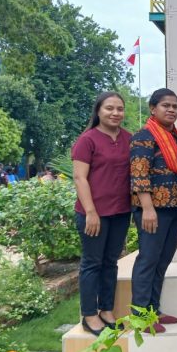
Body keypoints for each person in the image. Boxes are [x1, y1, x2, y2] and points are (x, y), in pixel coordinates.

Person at [71, 92, 133, 336]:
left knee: (111, 262)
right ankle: (89, 314)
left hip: (120, 212)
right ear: (98, 111)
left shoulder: (128, 138)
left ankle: (106, 310)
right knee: (92, 263)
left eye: (120, 109)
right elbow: (79, 178)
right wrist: (90, 212)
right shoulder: (88, 140)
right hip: (93, 213)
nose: (115, 113)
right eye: (110, 108)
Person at [130, 88, 177, 334]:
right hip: (153, 210)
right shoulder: (144, 136)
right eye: (166, 105)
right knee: (148, 260)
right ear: (153, 109)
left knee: (162, 261)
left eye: (174, 106)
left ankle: (154, 310)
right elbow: (139, 173)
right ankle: (140, 316)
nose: (171, 110)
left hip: (175, 207)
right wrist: (148, 208)